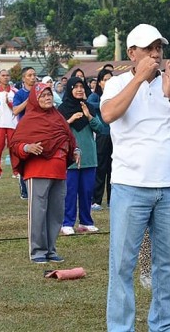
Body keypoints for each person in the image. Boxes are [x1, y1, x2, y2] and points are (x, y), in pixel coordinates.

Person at [101, 24, 170, 332]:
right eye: (148, 48)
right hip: (130, 187)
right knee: (122, 265)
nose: (156, 54)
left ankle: (165, 325)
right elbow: (108, 115)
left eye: (159, 48)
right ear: (132, 53)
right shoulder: (118, 83)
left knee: (169, 266)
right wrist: (138, 79)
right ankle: (121, 328)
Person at [9, 82, 79, 263]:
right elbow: (15, 144)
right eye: (43, 96)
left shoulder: (58, 117)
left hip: (59, 170)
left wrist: (76, 150)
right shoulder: (29, 120)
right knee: (38, 212)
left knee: (56, 212)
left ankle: (51, 249)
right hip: (38, 170)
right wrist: (27, 147)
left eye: (49, 95)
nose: (47, 98)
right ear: (34, 99)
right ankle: (38, 251)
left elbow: (68, 137)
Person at [58, 76, 104, 235]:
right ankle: (67, 222)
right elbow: (57, 131)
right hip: (70, 157)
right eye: (75, 87)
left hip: (89, 157)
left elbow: (100, 129)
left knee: (86, 192)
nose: (79, 89)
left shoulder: (89, 107)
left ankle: (86, 222)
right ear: (69, 89)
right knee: (70, 192)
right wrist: (70, 120)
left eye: (81, 86)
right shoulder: (62, 109)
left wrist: (88, 116)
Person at [87, 69, 113, 210]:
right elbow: (90, 106)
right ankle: (96, 200)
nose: (108, 82)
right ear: (100, 82)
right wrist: (106, 103)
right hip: (102, 134)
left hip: (114, 135)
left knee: (112, 169)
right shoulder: (95, 96)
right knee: (101, 168)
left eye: (110, 79)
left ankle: (111, 199)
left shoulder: (116, 95)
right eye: (105, 79)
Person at [12, 67, 37, 199]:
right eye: (29, 75)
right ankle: (24, 188)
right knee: (25, 158)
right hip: (25, 130)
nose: (33, 77)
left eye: (34, 75)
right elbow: (15, 111)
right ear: (23, 78)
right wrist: (29, 100)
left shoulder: (41, 91)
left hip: (39, 129)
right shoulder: (20, 94)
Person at [0, 69, 19, 180]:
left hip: (12, 123)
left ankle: (16, 171)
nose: (5, 77)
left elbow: (18, 108)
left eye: (7, 75)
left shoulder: (15, 91)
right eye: (3, 75)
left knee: (13, 148)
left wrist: (9, 103)